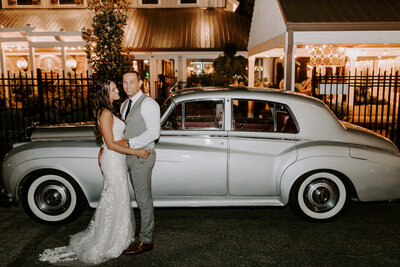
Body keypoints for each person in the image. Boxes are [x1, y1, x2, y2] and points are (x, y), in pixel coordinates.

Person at [39, 80, 150, 264]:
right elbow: (112, 144)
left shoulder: (112, 110)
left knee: (118, 197)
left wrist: (129, 142)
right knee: (115, 196)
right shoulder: (106, 113)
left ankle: (118, 235)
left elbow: (113, 140)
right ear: (106, 94)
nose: (118, 90)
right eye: (114, 89)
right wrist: (137, 151)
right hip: (113, 160)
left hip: (116, 159)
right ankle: (107, 240)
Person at [117, 70, 160, 255]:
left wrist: (130, 144)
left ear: (140, 83)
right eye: (125, 82)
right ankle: (145, 227)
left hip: (142, 156)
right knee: (138, 196)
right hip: (131, 155)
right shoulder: (125, 104)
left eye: (132, 82)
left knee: (143, 198)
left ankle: (146, 239)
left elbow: (153, 133)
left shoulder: (149, 103)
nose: (128, 86)